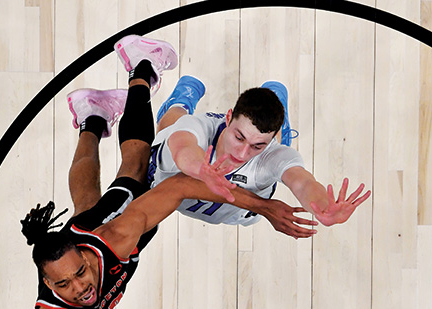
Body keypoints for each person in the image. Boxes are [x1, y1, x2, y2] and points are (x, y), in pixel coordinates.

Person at [22, 36, 315, 309]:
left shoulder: (117, 235)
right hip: (90, 240)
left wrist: (266, 207)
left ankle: (140, 68)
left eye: (80, 273)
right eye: (64, 284)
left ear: (85, 256)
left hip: (109, 233)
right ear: (48, 283)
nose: (80, 288)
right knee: (85, 208)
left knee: (135, 164)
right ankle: (93, 116)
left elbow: (179, 185)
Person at [147, 75, 372, 230]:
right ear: (228, 118)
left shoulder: (274, 155)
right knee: (171, 127)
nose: (243, 153)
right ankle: (182, 100)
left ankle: (278, 113)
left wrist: (323, 206)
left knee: (279, 145)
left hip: (237, 214)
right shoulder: (199, 127)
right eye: (239, 137)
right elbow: (183, 147)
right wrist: (200, 171)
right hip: (170, 179)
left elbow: (303, 183)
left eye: (257, 146)